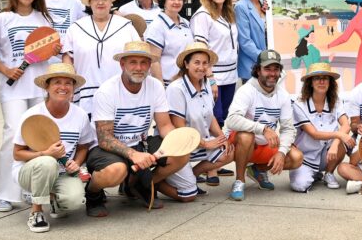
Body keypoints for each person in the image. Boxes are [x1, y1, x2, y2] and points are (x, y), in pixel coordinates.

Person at [83, 41, 189, 216]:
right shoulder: (107, 91)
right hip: (106, 148)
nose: (139, 68)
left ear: (149, 65)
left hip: (141, 144)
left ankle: (138, 184)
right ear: (122, 64)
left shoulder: (155, 86)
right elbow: (104, 138)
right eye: (133, 62)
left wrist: (178, 141)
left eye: (144, 62)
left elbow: (164, 125)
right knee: (116, 170)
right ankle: (92, 194)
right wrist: (134, 155)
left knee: (181, 153)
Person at [0, 0, 59, 212]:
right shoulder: (4, 18)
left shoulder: (44, 18)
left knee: (36, 138)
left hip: (39, 88)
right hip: (13, 90)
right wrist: (7, 70)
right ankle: (6, 194)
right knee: (13, 135)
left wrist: (53, 50)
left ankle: (32, 190)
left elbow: (51, 51)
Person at [12, 63, 94, 232]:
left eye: (68, 83)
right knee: (47, 162)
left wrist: (77, 162)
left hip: (63, 173)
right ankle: (36, 212)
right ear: (47, 87)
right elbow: (17, 154)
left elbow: (83, 146)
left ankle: (55, 202)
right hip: (31, 172)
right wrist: (45, 153)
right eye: (57, 82)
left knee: (74, 201)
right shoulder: (32, 115)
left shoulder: (80, 115)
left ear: (73, 88)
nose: (63, 87)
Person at [224, 49, 303, 201]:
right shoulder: (246, 90)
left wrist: (281, 152)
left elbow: (288, 129)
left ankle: (257, 170)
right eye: (267, 69)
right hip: (242, 145)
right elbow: (231, 119)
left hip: (266, 144)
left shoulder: (283, 95)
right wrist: (263, 129)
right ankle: (239, 180)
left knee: (296, 158)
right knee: (246, 136)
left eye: (276, 69)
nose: (272, 73)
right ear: (258, 70)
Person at [165, 42, 235, 194]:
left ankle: (192, 176)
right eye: (196, 62)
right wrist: (206, 144)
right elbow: (179, 127)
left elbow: (210, 118)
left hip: (199, 142)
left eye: (205, 63)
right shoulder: (176, 89)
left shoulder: (206, 84)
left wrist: (222, 138)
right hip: (181, 145)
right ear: (186, 64)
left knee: (229, 151)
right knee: (188, 195)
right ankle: (156, 182)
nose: (201, 67)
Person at [62, 0, 140, 118]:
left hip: (120, 90)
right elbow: (68, 58)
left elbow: (138, 55)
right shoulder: (76, 27)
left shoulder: (126, 25)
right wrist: (69, 85)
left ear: (111, 2)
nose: (100, 2)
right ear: (89, 3)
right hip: (86, 92)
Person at [289, 63, 354, 192]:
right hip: (305, 157)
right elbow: (314, 134)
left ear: (330, 82)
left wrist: (336, 143)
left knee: (344, 138)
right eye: (317, 78)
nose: (322, 81)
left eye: (325, 78)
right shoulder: (299, 104)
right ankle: (313, 173)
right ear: (310, 83)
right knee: (300, 186)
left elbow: (346, 124)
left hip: (329, 154)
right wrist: (338, 135)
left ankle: (329, 173)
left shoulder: (336, 100)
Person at [191, 0, 238, 129]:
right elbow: (201, 49)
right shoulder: (202, 15)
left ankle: (224, 152)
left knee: (226, 118)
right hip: (214, 77)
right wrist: (210, 79)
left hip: (231, 76)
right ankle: (215, 152)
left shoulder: (227, 13)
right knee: (214, 120)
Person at [143, 0, 193, 85]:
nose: (176, 2)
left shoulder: (187, 24)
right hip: (168, 84)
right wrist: (160, 87)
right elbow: (154, 61)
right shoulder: (157, 26)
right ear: (163, 1)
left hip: (187, 83)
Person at [327, 0, 362, 86]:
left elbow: (344, 38)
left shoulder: (356, 18)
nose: (350, 7)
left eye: (351, 4)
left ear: (357, 3)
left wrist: (329, 45)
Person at [234, 0, 268, 83]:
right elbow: (245, 41)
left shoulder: (266, 5)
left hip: (270, 66)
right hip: (252, 67)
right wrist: (265, 59)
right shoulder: (241, 6)